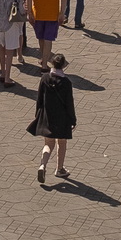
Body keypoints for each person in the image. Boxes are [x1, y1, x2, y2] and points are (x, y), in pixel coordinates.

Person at [32, 51, 77, 181]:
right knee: (61, 142)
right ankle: (59, 169)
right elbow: (69, 103)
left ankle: (42, 165)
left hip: (47, 115)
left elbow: (39, 98)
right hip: (62, 117)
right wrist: (73, 119)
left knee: (48, 143)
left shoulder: (45, 78)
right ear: (63, 65)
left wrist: (38, 114)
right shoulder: (66, 82)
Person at [25, 0, 67, 67]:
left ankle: (43, 60)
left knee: (41, 38)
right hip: (52, 15)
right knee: (48, 39)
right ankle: (44, 63)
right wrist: (62, 13)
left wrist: (29, 13)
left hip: (38, 14)